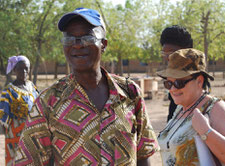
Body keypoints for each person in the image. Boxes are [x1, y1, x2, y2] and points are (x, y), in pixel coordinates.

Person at [14, 7, 158, 165]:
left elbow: (144, 154)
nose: (77, 45)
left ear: (103, 44)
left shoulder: (130, 93)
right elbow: (29, 161)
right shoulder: (49, 101)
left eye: (87, 38)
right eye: (69, 39)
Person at [157, 48, 225, 165]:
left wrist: (206, 131)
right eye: (168, 83)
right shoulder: (180, 109)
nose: (173, 89)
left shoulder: (215, 108)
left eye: (179, 83)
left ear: (199, 81)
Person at [0, 55, 39, 166]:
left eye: (26, 68)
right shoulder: (8, 91)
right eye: (20, 69)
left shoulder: (32, 87)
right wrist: (11, 134)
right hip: (14, 134)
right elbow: (3, 116)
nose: (24, 71)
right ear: (14, 70)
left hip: (32, 131)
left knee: (31, 159)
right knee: (15, 160)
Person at [160, 25, 193, 122]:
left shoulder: (194, 77)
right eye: (164, 53)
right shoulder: (171, 75)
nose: (168, 58)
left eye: (171, 53)